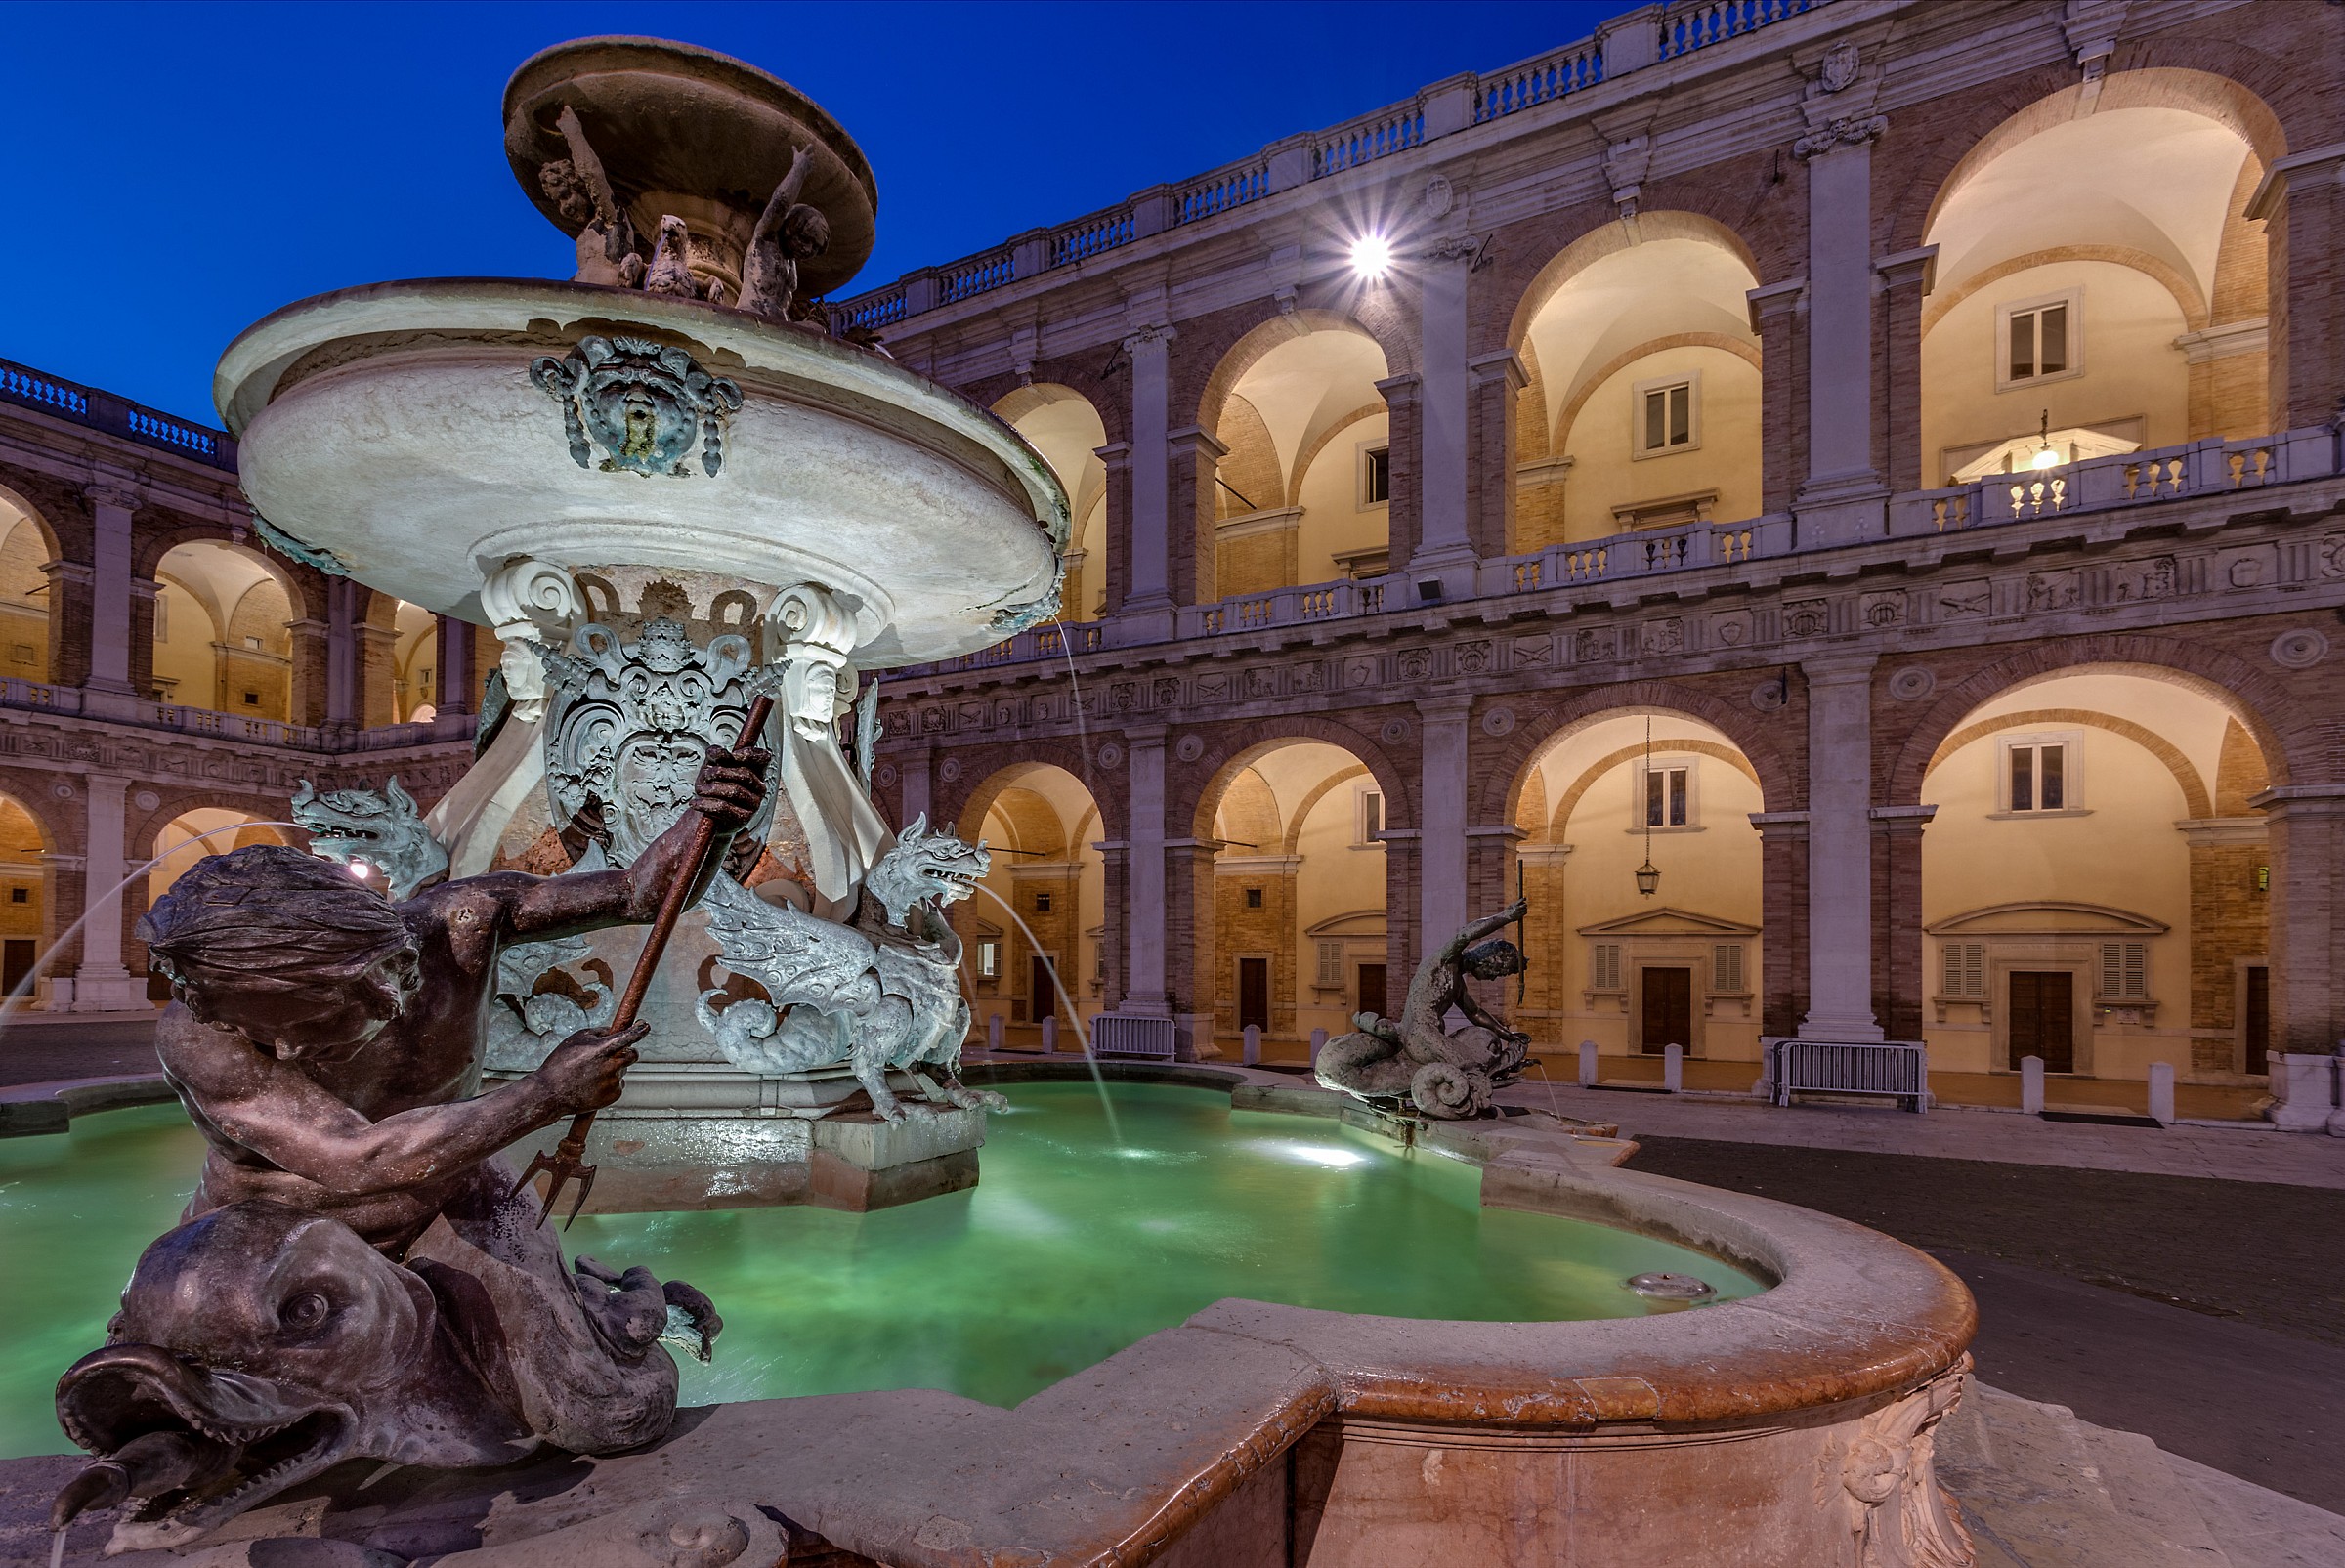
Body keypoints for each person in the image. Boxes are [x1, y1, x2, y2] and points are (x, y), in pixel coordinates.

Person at [145, 743, 767, 1260]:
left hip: (449, 1197)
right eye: (258, 1034)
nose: (280, 1051)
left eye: (296, 1023)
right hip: (273, 1237)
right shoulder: (200, 1036)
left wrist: (709, 821)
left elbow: (639, 895)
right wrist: (547, 1093)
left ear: (382, 979)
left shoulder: (463, 924)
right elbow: (361, 1157)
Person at [739, 143, 830, 320]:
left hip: (778, 325)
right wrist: (799, 170)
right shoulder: (766, 239)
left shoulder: (791, 261)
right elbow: (779, 204)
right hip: (750, 318)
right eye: (804, 239)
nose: (807, 249)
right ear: (791, 228)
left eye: (814, 247)